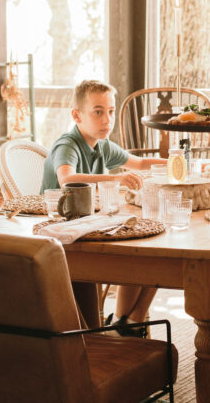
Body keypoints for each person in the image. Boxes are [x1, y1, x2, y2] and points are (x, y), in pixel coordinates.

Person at [41, 79, 166, 335]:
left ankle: (127, 322)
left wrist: (179, 162)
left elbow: (140, 164)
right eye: (97, 112)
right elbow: (67, 177)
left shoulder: (102, 145)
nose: (106, 119)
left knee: (157, 248)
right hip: (64, 232)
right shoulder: (69, 144)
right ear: (77, 115)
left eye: (110, 111)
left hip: (90, 225)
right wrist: (116, 178)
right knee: (137, 254)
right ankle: (125, 323)